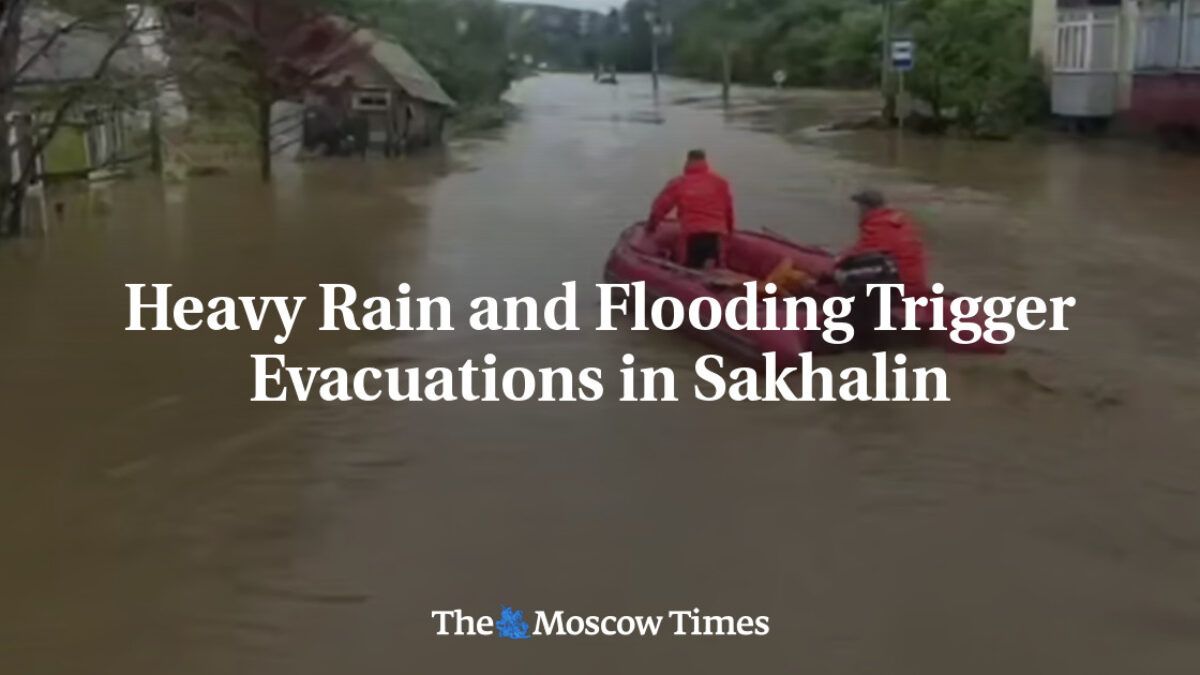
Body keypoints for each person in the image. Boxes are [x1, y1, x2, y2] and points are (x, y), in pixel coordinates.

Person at [647, 149, 735, 269]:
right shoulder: (721, 183)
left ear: (688, 162)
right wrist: (730, 232)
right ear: (705, 162)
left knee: (689, 271)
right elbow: (728, 211)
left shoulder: (679, 183)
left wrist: (651, 226)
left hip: (692, 236)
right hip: (716, 235)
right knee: (716, 270)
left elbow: (660, 207)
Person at [837, 189, 928, 292]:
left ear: (864, 208)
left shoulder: (877, 225)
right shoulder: (901, 222)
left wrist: (836, 263)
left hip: (900, 290)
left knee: (846, 274)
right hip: (916, 284)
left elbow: (858, 253)